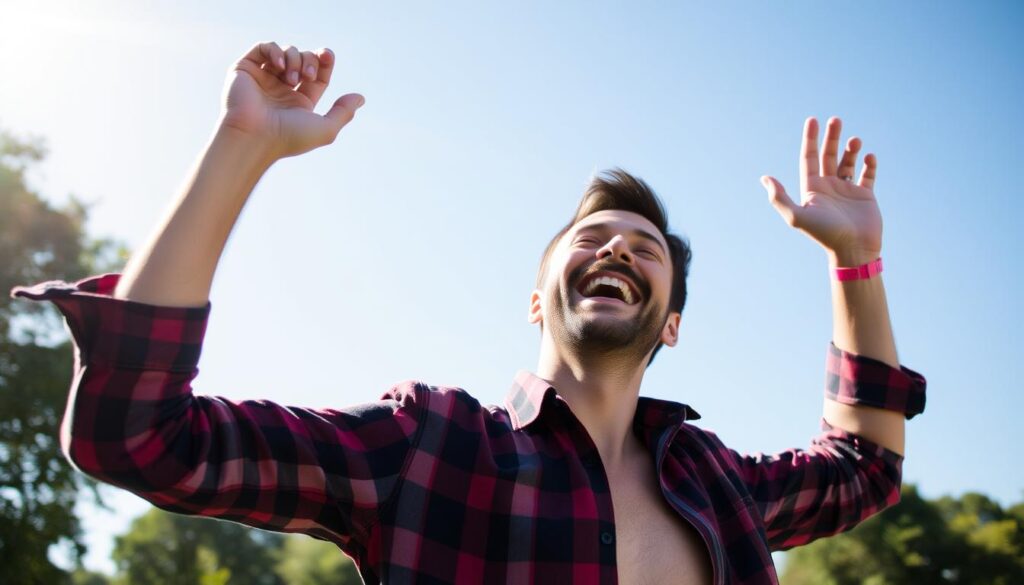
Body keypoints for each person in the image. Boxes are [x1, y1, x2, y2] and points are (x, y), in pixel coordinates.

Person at [11, 41, 926, 585]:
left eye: (644, 248)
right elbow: (134, 436)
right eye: (592, 237)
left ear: (672, 323)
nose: (616, 248)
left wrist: (857, 262)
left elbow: (864, 468)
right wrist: (239, 148)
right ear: (538, 297)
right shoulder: (427, 446)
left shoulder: (721, 483)